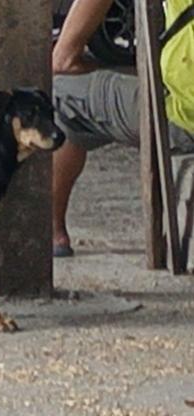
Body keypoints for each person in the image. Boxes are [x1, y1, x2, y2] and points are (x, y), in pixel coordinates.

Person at [51, 0, 194, 257]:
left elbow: (64, 61)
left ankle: (50, 231)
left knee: (62, 96)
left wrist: (65, 53)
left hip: (186, 116)